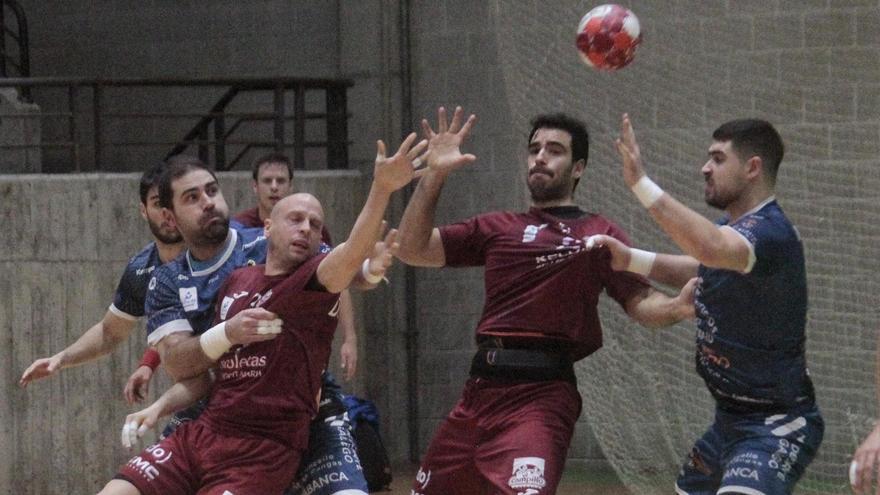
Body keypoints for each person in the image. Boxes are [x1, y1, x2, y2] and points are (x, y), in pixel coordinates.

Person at [97, 132, 424, 495]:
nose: (207, 202)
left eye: (212, 190)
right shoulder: (182, 280)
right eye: (193, 197)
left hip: (293, 419)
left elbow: (342, 267)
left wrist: (369, 270)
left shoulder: (281, 249)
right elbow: (184, 366)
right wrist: (159, 402)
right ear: (170, 218)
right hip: (217, 414)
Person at [396, 107, 694, 495]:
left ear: (578, 168)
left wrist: (678, 307)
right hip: (479, 391)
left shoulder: (599, 232)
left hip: (541, 396)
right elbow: (410, 248)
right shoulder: (496, 228)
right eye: (534, 148)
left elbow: (641, 302)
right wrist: (435, 173)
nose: (540, 156)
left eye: (554, 150)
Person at [588, 114, 824, 495]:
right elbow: (704, 266)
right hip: (728, 421)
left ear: (751, 168)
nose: (704, 168)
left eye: (717, 158)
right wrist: (628, 259)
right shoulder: (737, 235)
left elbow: (710, 249)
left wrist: (640, 184)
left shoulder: (770, 233)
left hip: (776, 422)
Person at [19, 163, 184, 404]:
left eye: (174, 201)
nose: (168, 212)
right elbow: (110, 333)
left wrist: (149, 364)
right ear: (144, 210)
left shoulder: (214, 252)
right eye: (159, 203)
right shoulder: (141, 270)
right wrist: (61, 359)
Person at [233, 152, 358, 380]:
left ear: (290, 186)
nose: (274, 187)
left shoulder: (313, 233)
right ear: (254, 186)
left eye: (280, 181)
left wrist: (349, 337)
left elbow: (339, 280)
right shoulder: (237, 230)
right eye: (267, 181)